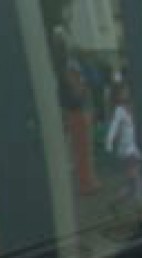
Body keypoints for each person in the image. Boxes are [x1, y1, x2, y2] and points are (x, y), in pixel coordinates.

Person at [53, 27, 97, 195]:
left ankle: (87, 181)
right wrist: (82, 92)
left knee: (81, 149)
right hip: (78, 109)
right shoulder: (69, 64)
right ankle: (86, 183)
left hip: (74, 109)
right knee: (83, 149)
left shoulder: (62, 64)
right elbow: (76, 85)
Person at [105, 83, 142, 207]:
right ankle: (136, 204)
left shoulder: (124, 108)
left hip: (130, 148)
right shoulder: (119, 111)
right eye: (123, 91)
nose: (126, 93)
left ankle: (117, 202)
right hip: (127, 149)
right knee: (134, 179)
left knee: (133, 179)